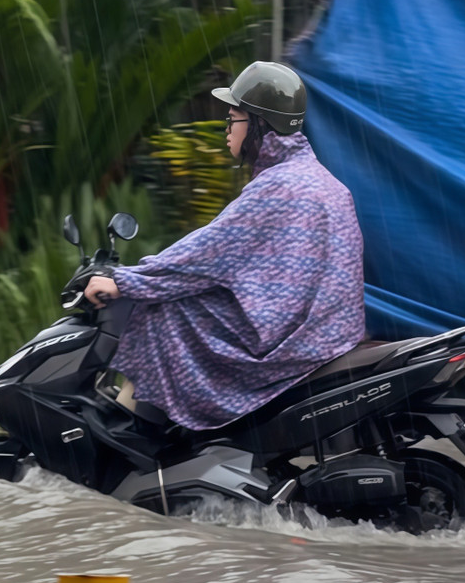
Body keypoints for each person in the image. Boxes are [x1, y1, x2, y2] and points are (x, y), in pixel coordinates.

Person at [83, 61, 366, 430]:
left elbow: (206, 255)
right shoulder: (322, 181)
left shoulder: (278, 186)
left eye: (233, 119)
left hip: (290, 343)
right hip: (326, 336)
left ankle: (145, 435)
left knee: (160, 311)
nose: (227, 130)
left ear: (260, 124)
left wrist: (126, 281)